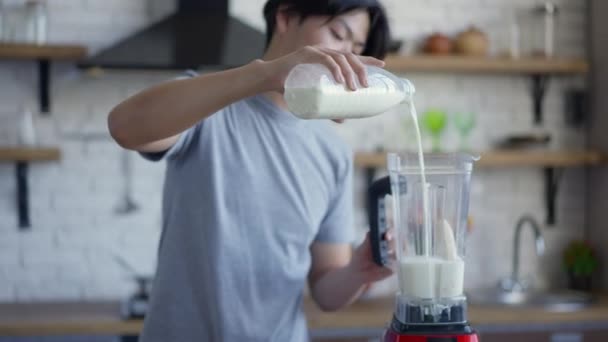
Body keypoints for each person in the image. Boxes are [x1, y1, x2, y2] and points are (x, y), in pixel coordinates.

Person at [108, 0, 394, 341]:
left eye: (356, 47)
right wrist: (266, 74)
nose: (345, 56)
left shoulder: (333, 154)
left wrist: (360, 269)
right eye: (338, 34)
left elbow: (325, 290)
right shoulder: (208, 106)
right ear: (286, 16)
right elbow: (124, 127)